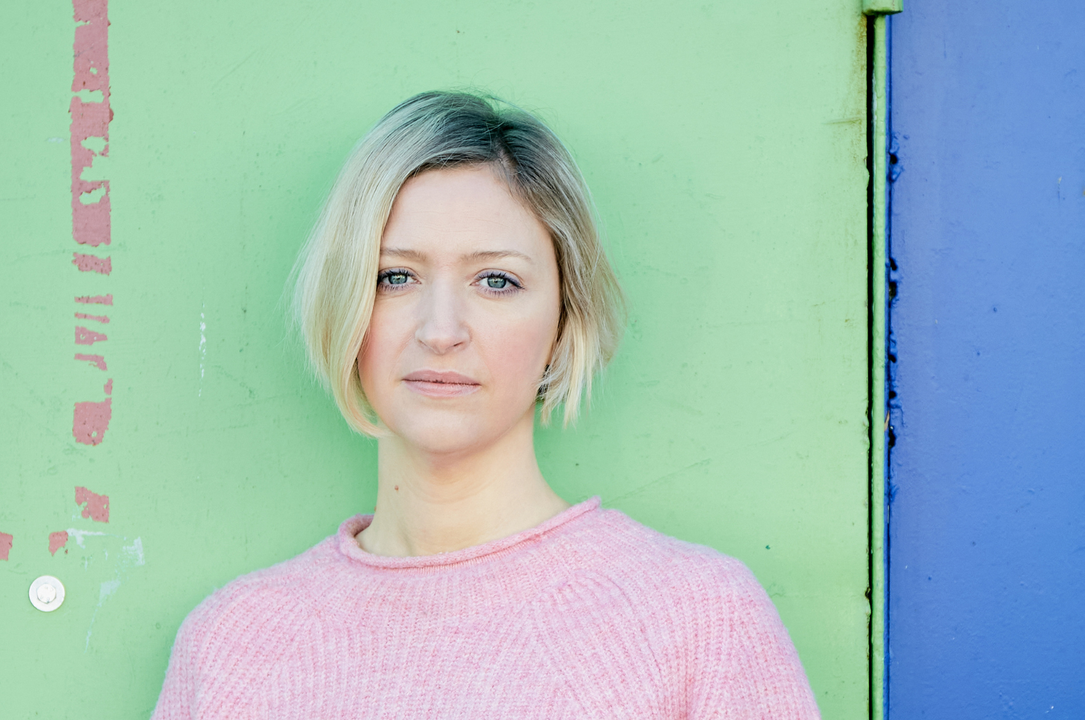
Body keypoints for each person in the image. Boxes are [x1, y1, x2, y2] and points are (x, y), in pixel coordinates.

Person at [151, 91, 820, 719]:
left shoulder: (697, 617)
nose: (441, 330)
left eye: (496, 280)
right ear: (345, 303)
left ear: (565, 315)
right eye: (395, 276)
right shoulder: (232, 643)